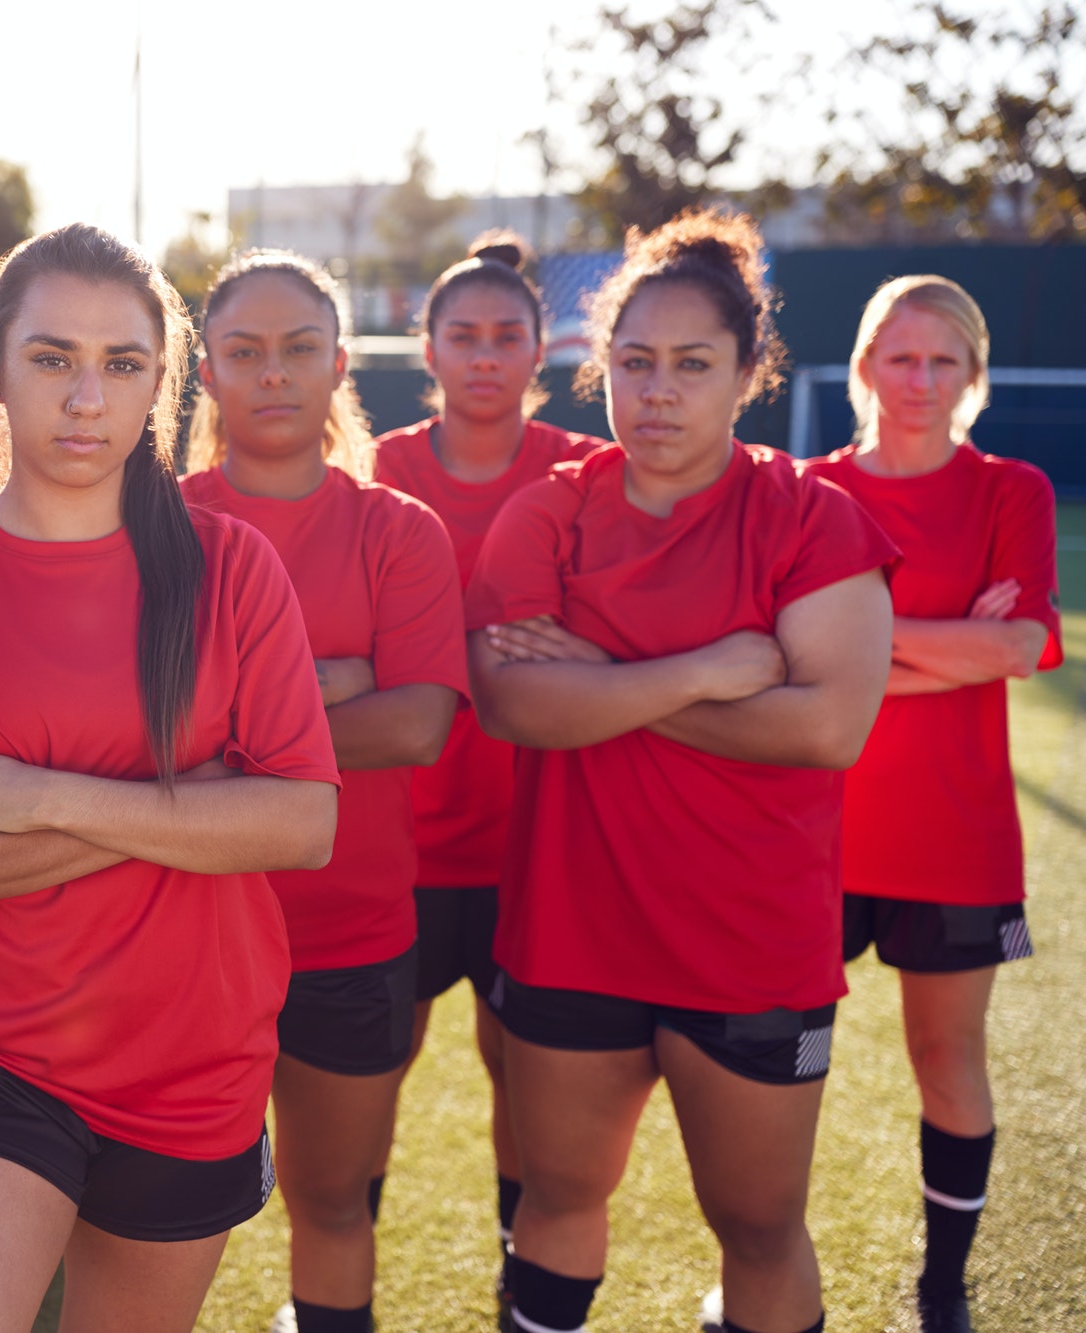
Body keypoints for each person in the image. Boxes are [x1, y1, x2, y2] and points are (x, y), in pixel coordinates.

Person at [0, 222, 341, 1333]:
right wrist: (195, 802)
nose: (85, 397)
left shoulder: (230, 566)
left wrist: (43, 797)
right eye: (52, 358)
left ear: (159, 384)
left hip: (194, 1052)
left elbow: (301, 822)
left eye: (121, 364)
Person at [463, 209, 896, 1333]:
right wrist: (705, 671)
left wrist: (602, 683)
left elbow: (825, 727)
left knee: (759, 1226)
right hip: (572, 925)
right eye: (634, 361)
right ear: (601, 365)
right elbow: (514, 703)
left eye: (692, 365)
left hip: (753, 942)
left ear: (748, 374)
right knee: (556, 1199)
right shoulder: (547, 513)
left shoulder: (811, 518)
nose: (657, 391)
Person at [180, 250, 466, 1333]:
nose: (273, 373)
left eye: (299, 348)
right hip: (179, 930)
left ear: (340, 363)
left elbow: (417, 723)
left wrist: (232, 725)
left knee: (334, 1203)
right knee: (143, 1212)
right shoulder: (152, 525)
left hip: (350, 934)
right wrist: (334, 679)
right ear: (205, 370)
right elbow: (133, 732)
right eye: (244, 351)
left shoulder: (399, 529)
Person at [803, 276, 1061, 1333]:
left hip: (954, 836)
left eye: (942, 360)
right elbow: (783, 656)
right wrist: (955, 642)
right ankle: (769, 1270)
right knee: (779, 1066)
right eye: (900, 358)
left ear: (972, 375)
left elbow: (1023, 644)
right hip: (812, 832)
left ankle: (943, 1285)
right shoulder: (809, 489)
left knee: (947, 1058)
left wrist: (861, 648)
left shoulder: (1010, 490)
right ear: (864, 365)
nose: (919, 380)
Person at [370, 233, 604, 1315]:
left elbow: (597, 645)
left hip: (535, 842)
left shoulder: (580, 472)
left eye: (506, 335)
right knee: (375, 1066)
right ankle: (338, 1277)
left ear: (538, 350)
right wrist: (498, 649)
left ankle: (523, 1274)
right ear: (426, 349)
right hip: (399, 841)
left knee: (524, 1068)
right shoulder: (378, 472)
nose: (483, 355)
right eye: (461, 335)